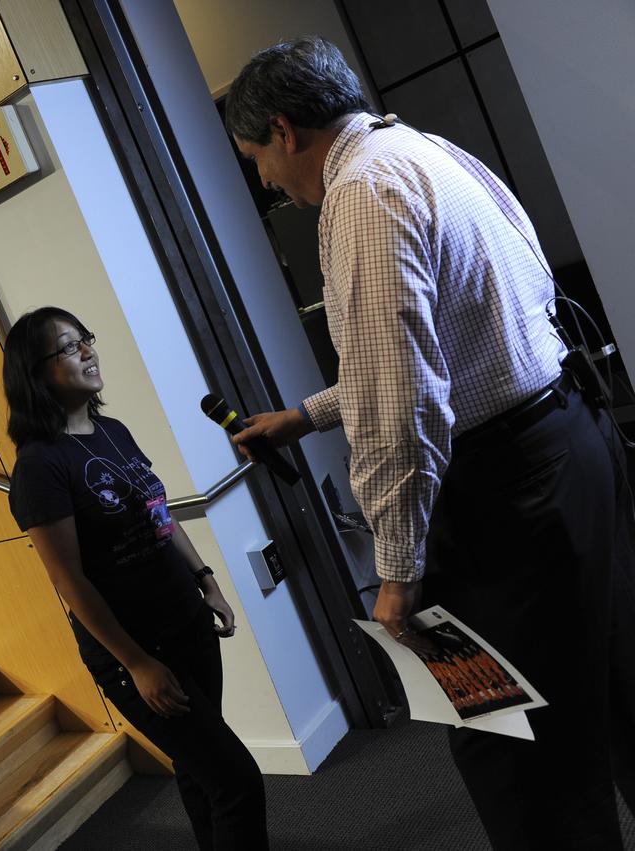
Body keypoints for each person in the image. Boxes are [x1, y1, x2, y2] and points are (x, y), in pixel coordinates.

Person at [224, 36, 628, 849]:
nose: (265, 180)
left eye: (256, 158)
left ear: (285, 130)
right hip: (571, 451)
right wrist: (303, 414)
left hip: (499, 503)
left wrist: (396, 572)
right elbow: (456, 339)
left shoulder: (362, 194)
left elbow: (401, 402)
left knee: (514, 748)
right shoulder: (425, 150)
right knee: (617, 684)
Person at [3, 306, 267, 851]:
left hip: (185, 621)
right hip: (135, 651)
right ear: (35, 372)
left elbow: (159, 515)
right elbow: (69, 581)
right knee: (237, 781)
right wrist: (137, 663)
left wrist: (206, 579)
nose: (88, 352)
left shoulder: (111, 430)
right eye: (69, 347)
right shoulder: (39, 467)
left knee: (200, 772)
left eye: (87, 340)